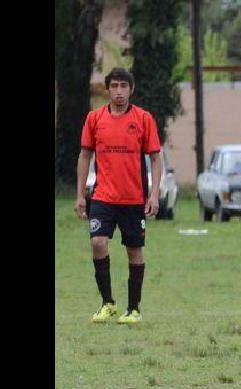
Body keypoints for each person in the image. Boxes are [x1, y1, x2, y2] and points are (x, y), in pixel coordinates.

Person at [74, 67, 163, 325]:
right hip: (103, 197)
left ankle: (133, 309)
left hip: (134, 199)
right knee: (98, 243)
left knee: (134, 251)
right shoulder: (94, 119)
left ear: (131, 90)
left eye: (124, 86)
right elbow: (84, 155)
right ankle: (107, 303)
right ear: (107, 89)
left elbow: (155, 159)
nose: (119, 91)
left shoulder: (144, 119)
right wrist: (80, 195)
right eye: (114, 86)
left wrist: (154, 195)